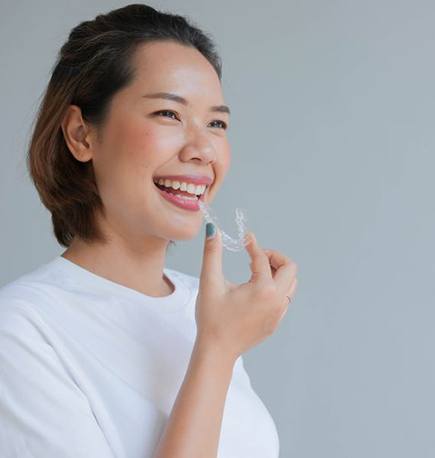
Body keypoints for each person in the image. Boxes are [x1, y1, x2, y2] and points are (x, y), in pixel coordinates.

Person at [0, 4, 298, 458]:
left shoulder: (204, 306)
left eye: (216, 123)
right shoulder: (22, 330)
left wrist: (220, 338)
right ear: (81, 135)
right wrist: (216, 351)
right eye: (168, 114)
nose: (202, 149)